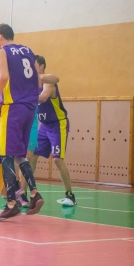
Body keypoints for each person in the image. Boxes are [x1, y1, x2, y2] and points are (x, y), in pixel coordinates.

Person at [0, 23, 46, 221]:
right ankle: (34, 193)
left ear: (0, 37)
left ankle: (12, 203)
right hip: (30, 107)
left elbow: (3, 76)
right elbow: (37, 79)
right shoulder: (28, 51)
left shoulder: (2, 51)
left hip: (13, 107)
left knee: (5, 155)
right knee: (19, 154)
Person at [29, 55, 76, 206]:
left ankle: (70, 195)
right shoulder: (31, 83)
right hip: (44, 126)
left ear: (41, 66)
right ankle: (28, 193)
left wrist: (25, 97)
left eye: (34, 64)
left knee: (57, 159)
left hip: (58, 124)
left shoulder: (48, 82)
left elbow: (43, 98)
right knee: (31, 156)